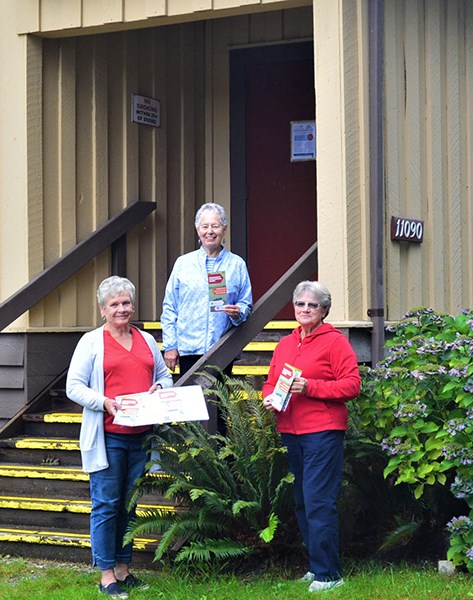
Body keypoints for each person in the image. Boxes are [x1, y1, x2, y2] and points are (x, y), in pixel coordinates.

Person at [66, 276, 173, 599]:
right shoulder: (91, 343)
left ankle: (125, 570)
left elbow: (164, 376)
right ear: (102, 310)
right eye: (114, 304)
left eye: (126, 303)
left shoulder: (146, 340)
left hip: (140, 437)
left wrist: (160, 389)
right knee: (106, 505)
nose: (122, 309)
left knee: (129, 504)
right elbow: (74, 386)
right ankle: (106, 574)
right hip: (108, 436)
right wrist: (105, 403)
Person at [261, 281, 361, 593]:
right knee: (303, 502)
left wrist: (311, 387)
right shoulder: (285, 344)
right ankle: (316, 566)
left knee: (319, 501)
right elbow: (271, 382)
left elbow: (352, 386)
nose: (305, 310)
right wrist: (267, 397)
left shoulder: (335, 343)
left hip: (323, 431)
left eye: (312, 305)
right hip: (292, 430)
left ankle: (329, 575)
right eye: (300, 304)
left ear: (324, 311)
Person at [160, 202, 253, 378]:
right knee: (193, 402)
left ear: (224, 230)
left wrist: (238, 312)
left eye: (215, 226)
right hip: (188, 349)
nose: (210, 231)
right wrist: (170, 346)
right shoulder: (183, 263)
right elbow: (170, 307)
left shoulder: (236, 264)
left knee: (219, 404)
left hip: (223, 347)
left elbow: (246, 302)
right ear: (198, 230)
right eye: (205, 226)